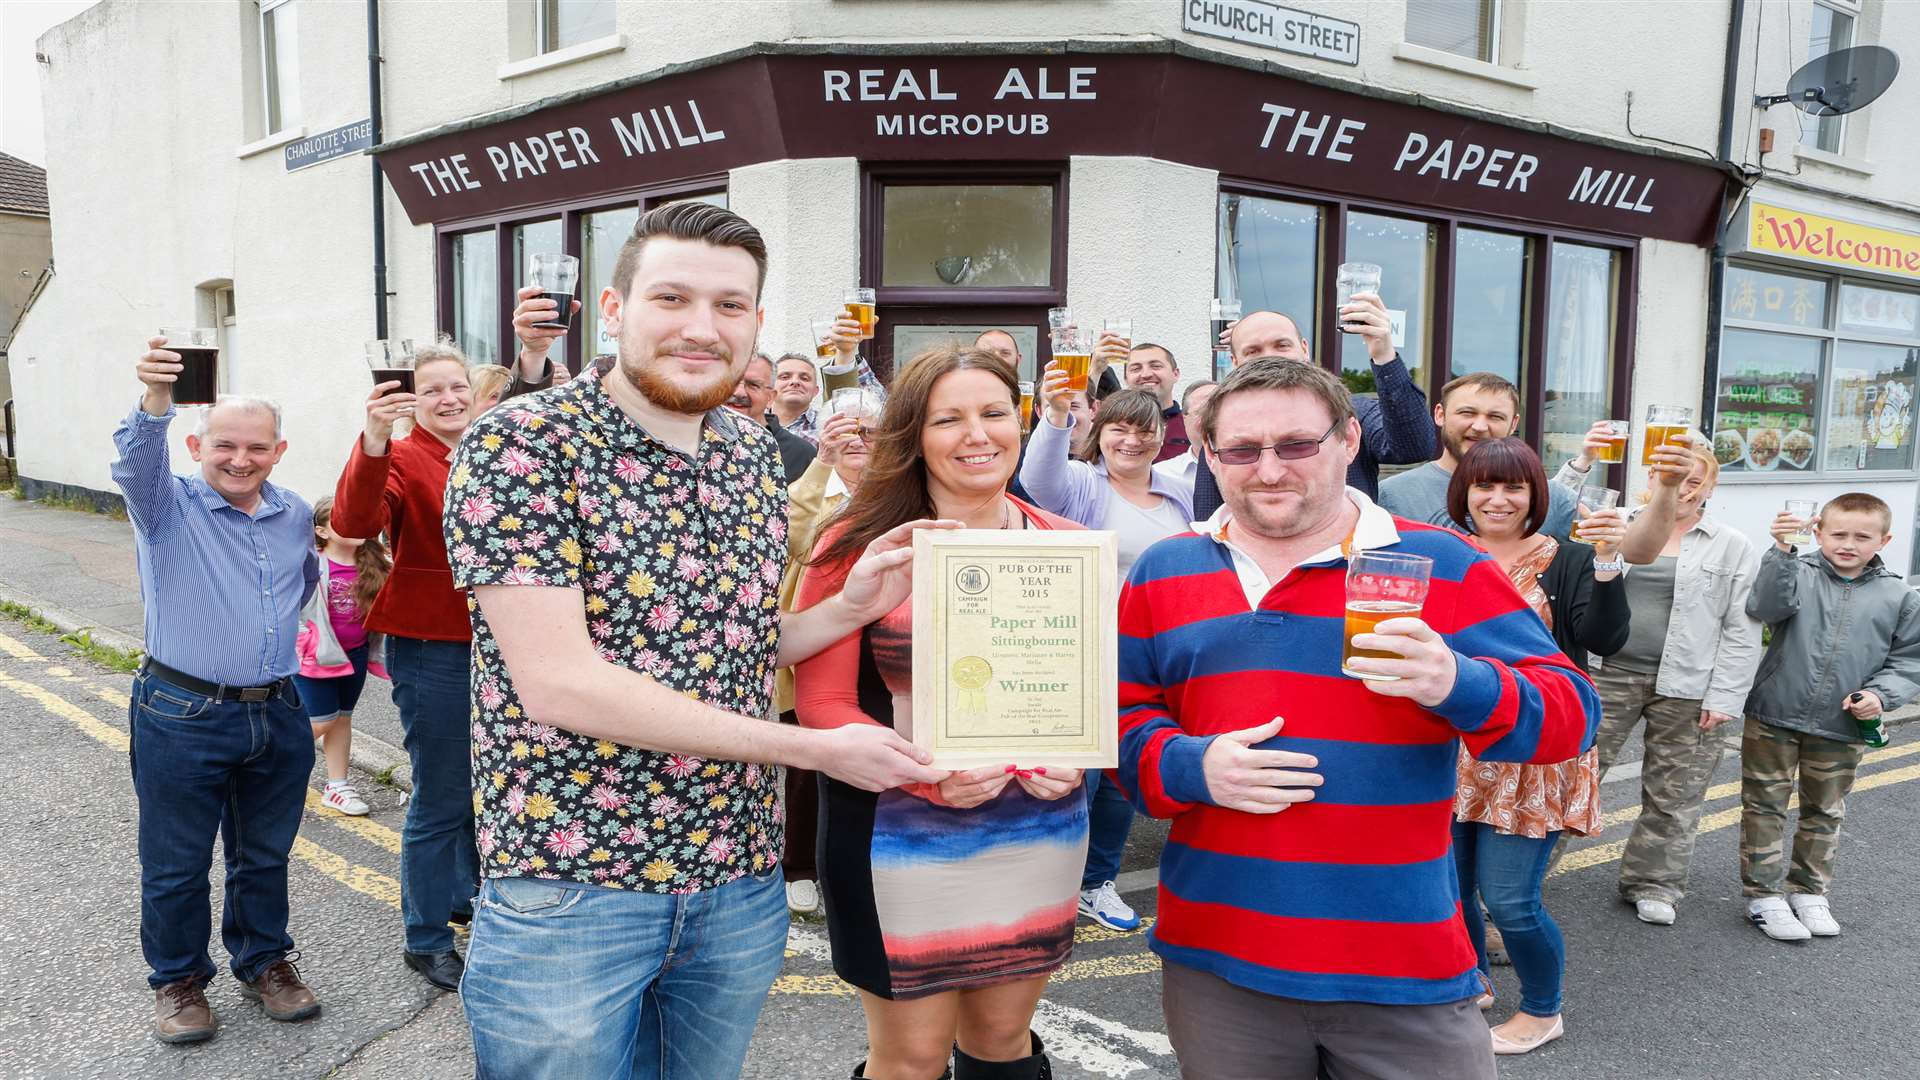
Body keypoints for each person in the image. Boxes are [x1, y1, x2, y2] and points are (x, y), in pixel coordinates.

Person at [443, 202, 951, 1080]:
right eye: (672, 298)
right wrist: (816, 748)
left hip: (735, 875)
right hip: (572, 877)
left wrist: (845, 607)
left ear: (756, 321)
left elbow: (740, 645)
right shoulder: (521, 443)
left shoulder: (753, 453)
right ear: (614, 309)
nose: (701, 327)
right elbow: (561, 684)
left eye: (730, 306)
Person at [1115, 357, 1599, 1080]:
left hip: (1402, 962)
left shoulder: (1440, 560)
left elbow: (1570, 716)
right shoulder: (1166, 570)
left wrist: (1457, 680)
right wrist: (1191, 765)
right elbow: (1121, 725)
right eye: (1243, 450)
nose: (1269, 469)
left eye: (1296, 445)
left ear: (1346, 439)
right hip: (1220, 963)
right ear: (1211, 457)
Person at [794, 346, 1087, 1080]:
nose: (976, 434)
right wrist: (925, 775)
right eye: (947, 419)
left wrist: (1081, 752)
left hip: (1036, 825)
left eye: (992, 413)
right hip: (897, 831)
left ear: (1020, 420)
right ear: (912, 435)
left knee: (1001, 1041)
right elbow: (821, 702)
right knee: (912, 1055)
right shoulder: (860, 542)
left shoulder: (1066, 546)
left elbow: (1088, 692)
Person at [113, 342, 321, 1043]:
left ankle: (265, 963)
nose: (240, 459)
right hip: (182, 711)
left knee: (264, 855)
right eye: (225, 445)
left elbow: (306, 586)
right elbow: (135, 464)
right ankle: (177, 981)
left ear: (278, 449)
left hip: (279, 710)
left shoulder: (292, 513)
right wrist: (154, 402)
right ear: (197, 444)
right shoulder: (165, 505)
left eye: (256, 447)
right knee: (176, 863)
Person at [1444, 438, 1630, 1055]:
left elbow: (1605, 636)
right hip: (1454, 750)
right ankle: (1471, 983)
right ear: (1464, 494)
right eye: (1484, 486)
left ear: (1535, 496)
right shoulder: (1444, 553)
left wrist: (1608, 562)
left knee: (1511, 900)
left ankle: (1543, 1009)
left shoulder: (1567, 558)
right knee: (1452, 887)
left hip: (1534, 753)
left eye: (1513, 488)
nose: (1498, 500)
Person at [331, 340, 480, 992]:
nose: (448, 399)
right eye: (433, 390)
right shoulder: (402, 456)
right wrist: (373, 435)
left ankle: (463, 896)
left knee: (478, 791)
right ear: (413, 400)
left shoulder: (483, 450)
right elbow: (354, 520)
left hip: (497, 646)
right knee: (441, 796)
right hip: (432, 648)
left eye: (457, 386)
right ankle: (425, 939)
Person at [1018, 381, 1193, 933]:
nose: (1131, 440)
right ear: (1099, 430)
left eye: (1144, 429)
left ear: (1161, 437)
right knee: (1076, 776)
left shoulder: (1176, 494)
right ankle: (1049, 889)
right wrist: (1054, 413)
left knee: (1121, 777)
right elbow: (1037, 477)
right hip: (1081, 652)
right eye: (1119, 427)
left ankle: (1097, 883)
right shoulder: (1079, 484)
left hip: (1149, 656)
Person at [1589, 442, 1761, 927]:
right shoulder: (1614, 520)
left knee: (1676, 791)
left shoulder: (1732, 544)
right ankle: (1523, 880)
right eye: (1672, 475)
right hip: (1605, 673)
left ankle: (1653, 883)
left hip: (1688, 683)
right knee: (1572, 777)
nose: (1683, 488)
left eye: (1694, 479)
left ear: (1710, 486)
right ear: (1650, 477)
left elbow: (1740, 628)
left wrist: (1726, 695)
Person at [1741, 492, 1920, 941]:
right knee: (1764, 806)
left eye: (1863, 536)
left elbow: (1909, 659)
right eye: (1837, 533)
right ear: (1817, 531)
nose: (1848, 544)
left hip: (1842, 724)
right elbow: (1764, 607)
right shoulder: (1796, 572)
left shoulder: (1899, 595)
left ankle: (1808, 890)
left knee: (1824, 810)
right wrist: (1781, 549)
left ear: (1885, 540)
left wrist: (1880, 696)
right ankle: (1763, 897)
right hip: (1774, 713)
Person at [1190, 301, 1431, 518]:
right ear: (1235, 363)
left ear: (1304, 349)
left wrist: (1384, 355)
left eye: (1281, 345)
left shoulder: (1352, 411)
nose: (1270, 357)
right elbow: (1210, 519)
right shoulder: (1224, 427)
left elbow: (1414, 447)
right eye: (1253, 351)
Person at [776, 406, 876, 916]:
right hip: (815, 641)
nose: (858, 442)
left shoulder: (898, 492)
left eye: (869, 432)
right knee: (808, 767)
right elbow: (789, 538)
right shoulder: (816, 488)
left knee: (873, 754)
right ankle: (797, 867)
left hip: (879, 645)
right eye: (847, 432)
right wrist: (823, 461)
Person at [1378, 373, 1578, 539]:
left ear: (1513, 424)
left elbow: (1598, 559)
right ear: (1440, 415)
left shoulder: (1554, 497)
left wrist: (1608, 542)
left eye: (1495, 416)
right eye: (1467, 413)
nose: (1480, 427)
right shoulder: (1392, 494)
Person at [293, 495, 391, 817]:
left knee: (342, 718)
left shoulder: (377, 564)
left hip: (356, 655)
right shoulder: (310, 563)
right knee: (321, 720)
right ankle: (264, 770)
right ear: (321, 532)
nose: (355, 524)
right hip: (317, 657)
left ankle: (337, 785)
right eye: (343, 520)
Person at [727, 351, 817, 483]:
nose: (740, 393)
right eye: (732, 382)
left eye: (753, 385)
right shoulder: (696, 438)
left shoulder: (802, 453)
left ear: (770, 397)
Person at [1121, 342, 1192, 462]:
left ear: (1175, 374)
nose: (1146, 374)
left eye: (1156, 366)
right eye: (1136, 368)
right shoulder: (1114, 427)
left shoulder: (1192, 425)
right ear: (1126, 379)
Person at [1154, 380, 1216, 492]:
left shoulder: (1253, 469)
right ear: (1184, 420)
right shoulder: (1160, 475)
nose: (1212, 419)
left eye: (1219, 410)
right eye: (1203, 411)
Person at [771, 352, 822, 442]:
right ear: (770, 386)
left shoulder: (827, 427)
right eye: (785, 377)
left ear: (815, 391)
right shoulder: (750, 423)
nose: (795, 382)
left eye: (804, 378)